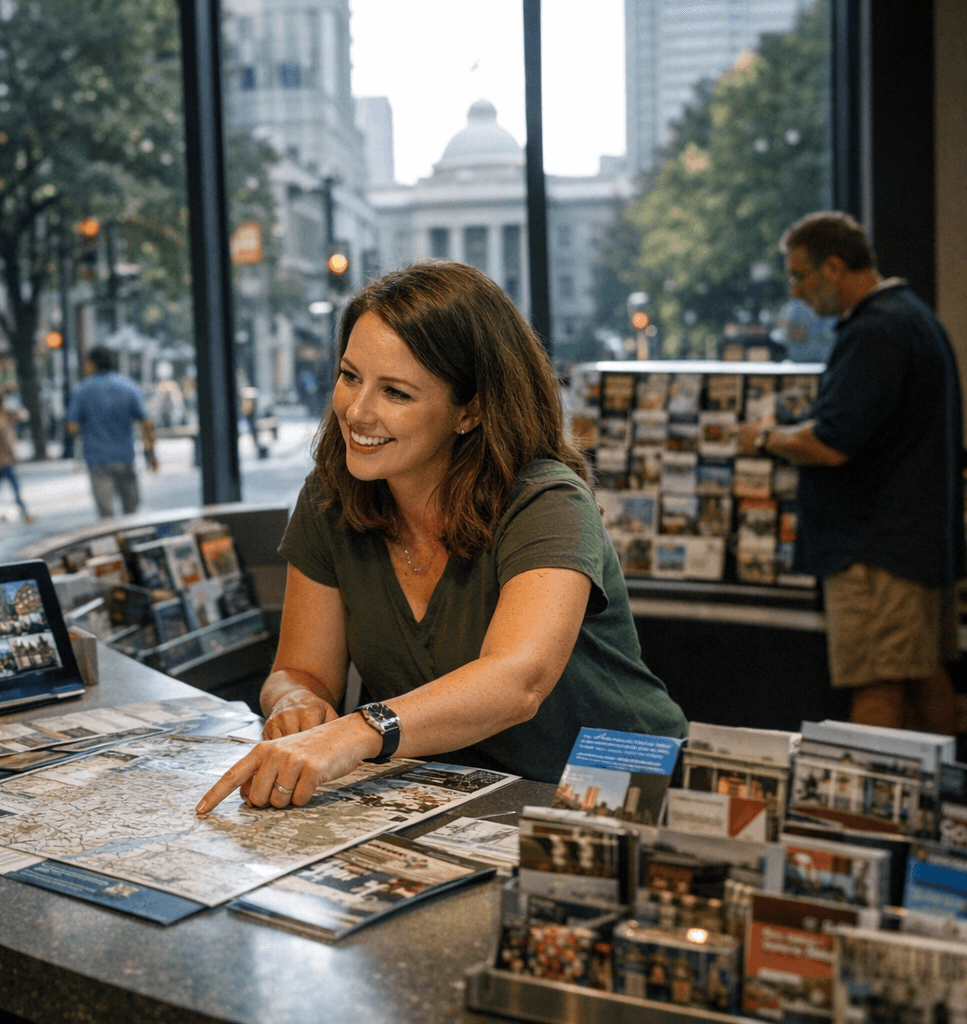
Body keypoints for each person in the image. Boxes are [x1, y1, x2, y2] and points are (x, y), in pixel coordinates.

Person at [195, 261, 686, 813]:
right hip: (457, 794)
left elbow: (516, 682)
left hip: (616, 789)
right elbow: (302, 669)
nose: (356, 411)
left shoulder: (548, 499)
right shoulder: (329, 495)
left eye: (396, 393)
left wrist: (354, 732)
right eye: (350, 376)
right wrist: (295, 700)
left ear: (470, 411)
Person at [740, 212, 964, 732]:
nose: (797, 292)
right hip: (913, 543)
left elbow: (831, 443)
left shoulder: (877, 329)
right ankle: (942, 809)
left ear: (834, 267)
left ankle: (857, 815)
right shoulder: (912, 317)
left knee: (877, 689)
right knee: (923, 675)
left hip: (874, 550)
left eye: (799, 275)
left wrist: (765, 436)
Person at [65, 345, 159, 517]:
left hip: (97, 458)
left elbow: (72, 427)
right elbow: (146, 423)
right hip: (125, 456)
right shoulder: (129, 387)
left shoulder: (81, 390)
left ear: (93, 364)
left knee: (106, 515)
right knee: (131, 512)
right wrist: (151, 455)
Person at [0, 392, 35, 524]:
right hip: (3, 460)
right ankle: (25, 513)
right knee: (14, 487)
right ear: (0, 406)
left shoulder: (3, 419)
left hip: (1, 460)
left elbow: (24, 415)